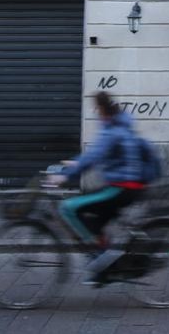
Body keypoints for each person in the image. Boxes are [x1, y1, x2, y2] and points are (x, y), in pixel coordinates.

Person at [47, 91, 146, 283]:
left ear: (101, 109)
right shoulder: (119, 124)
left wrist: (64, 177)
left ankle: (100, 258)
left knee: (67, 208)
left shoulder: (112, 129)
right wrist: (76, 164)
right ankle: (105, 268)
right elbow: (98, 154)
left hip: (121, 188)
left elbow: (94, 156)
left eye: (95, 108)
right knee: (93, 220)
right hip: (126, 185)